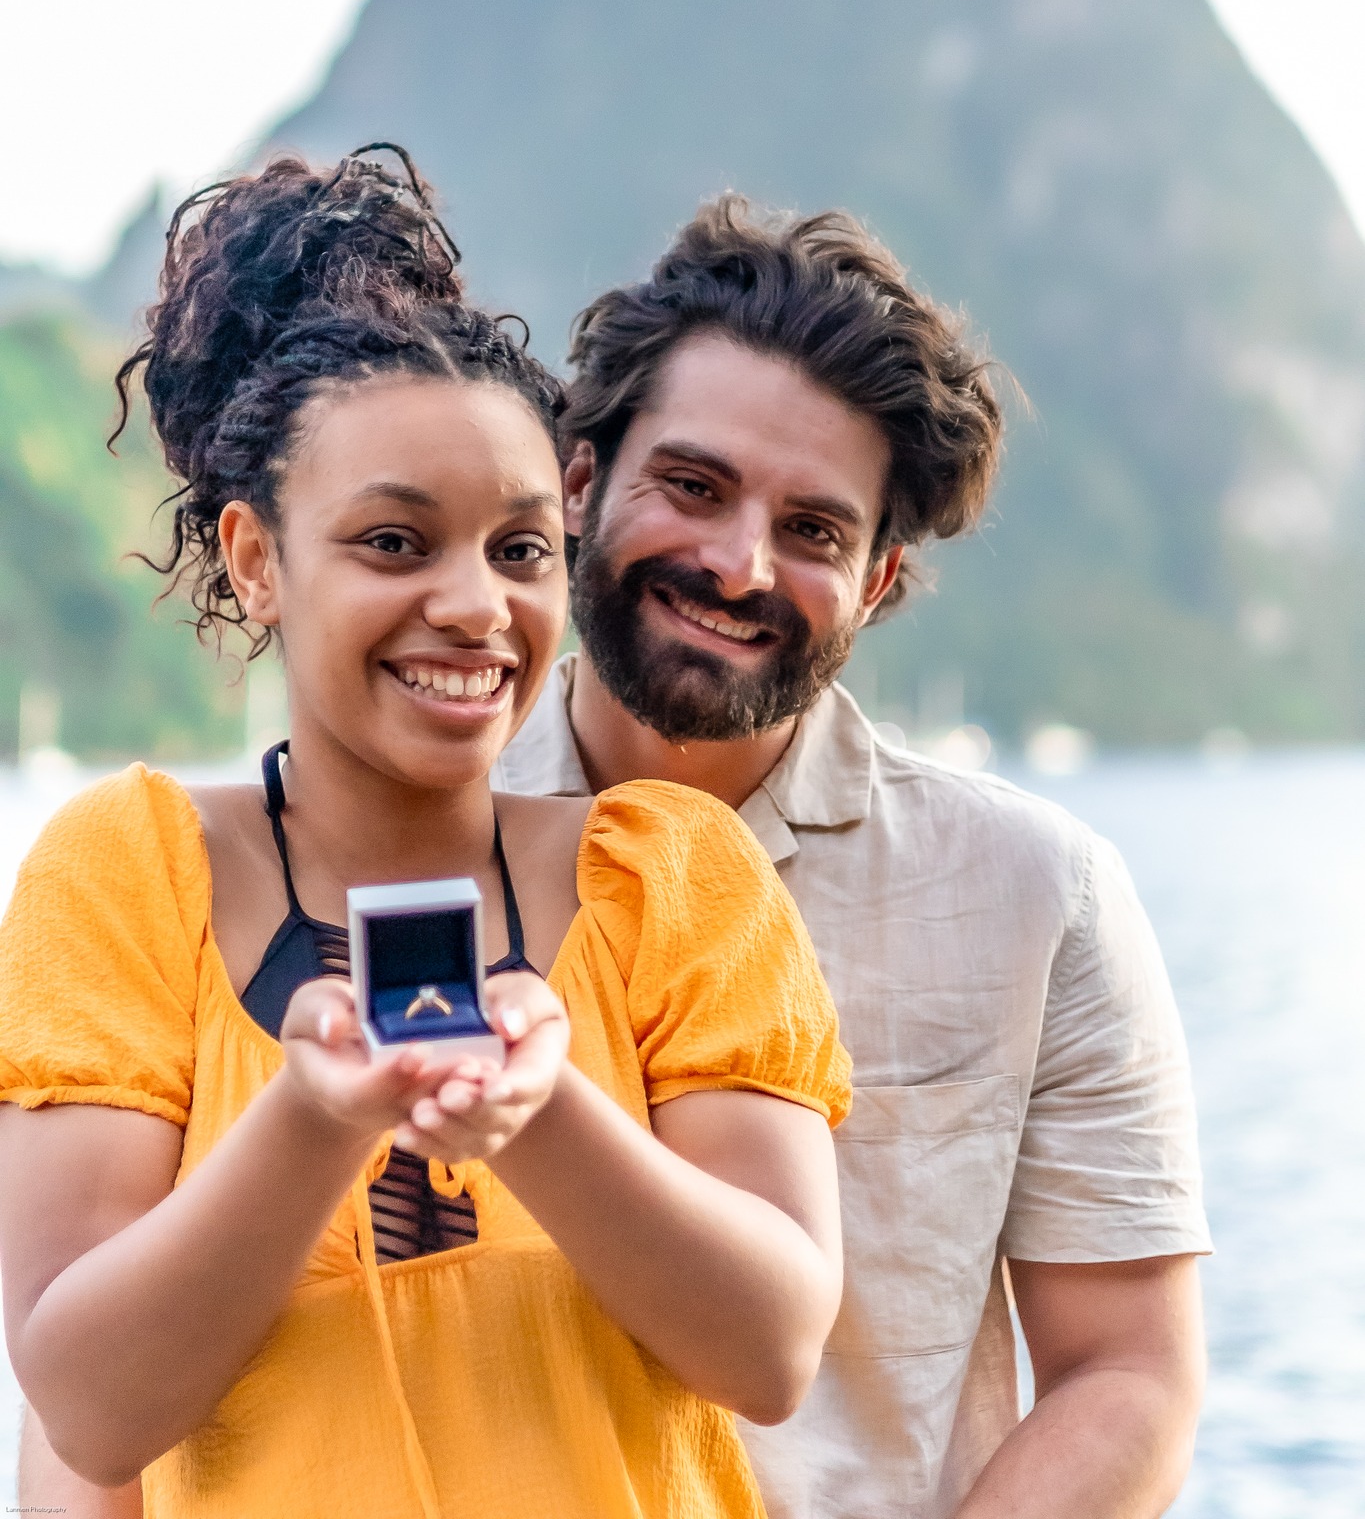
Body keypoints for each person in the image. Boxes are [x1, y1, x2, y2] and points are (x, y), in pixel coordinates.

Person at [0, 153, 849, 1519]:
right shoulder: (128, 876)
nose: (472, 605)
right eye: (395, 543)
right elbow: (91, 1408)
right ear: (258, 557)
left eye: (519, 551)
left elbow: (769, 1348)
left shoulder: (671, 878)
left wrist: (538, 1114)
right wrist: (313, 1119)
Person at [493, 196, 1211, 1519]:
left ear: (876, 582)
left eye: (813, 531)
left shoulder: (1034, 896)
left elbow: (1130, 1374)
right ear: (580, 483)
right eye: (693, 486)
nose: (734, 562)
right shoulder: (384, 844)